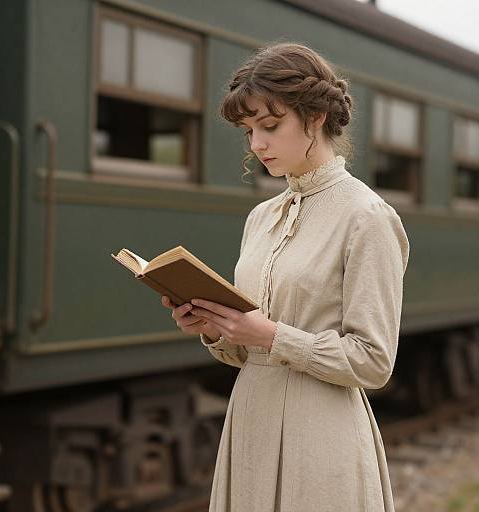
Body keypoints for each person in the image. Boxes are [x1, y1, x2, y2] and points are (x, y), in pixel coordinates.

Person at [161, 42, 409, 512]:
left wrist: (273, 336)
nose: (257, 144)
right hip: (250, 419)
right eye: (249, 130)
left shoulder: (367, 218)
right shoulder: (261, 217)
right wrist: (215, 328)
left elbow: (374, 361)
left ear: (315, 117)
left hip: (321, 434)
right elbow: (245, 349)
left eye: (270, 126)